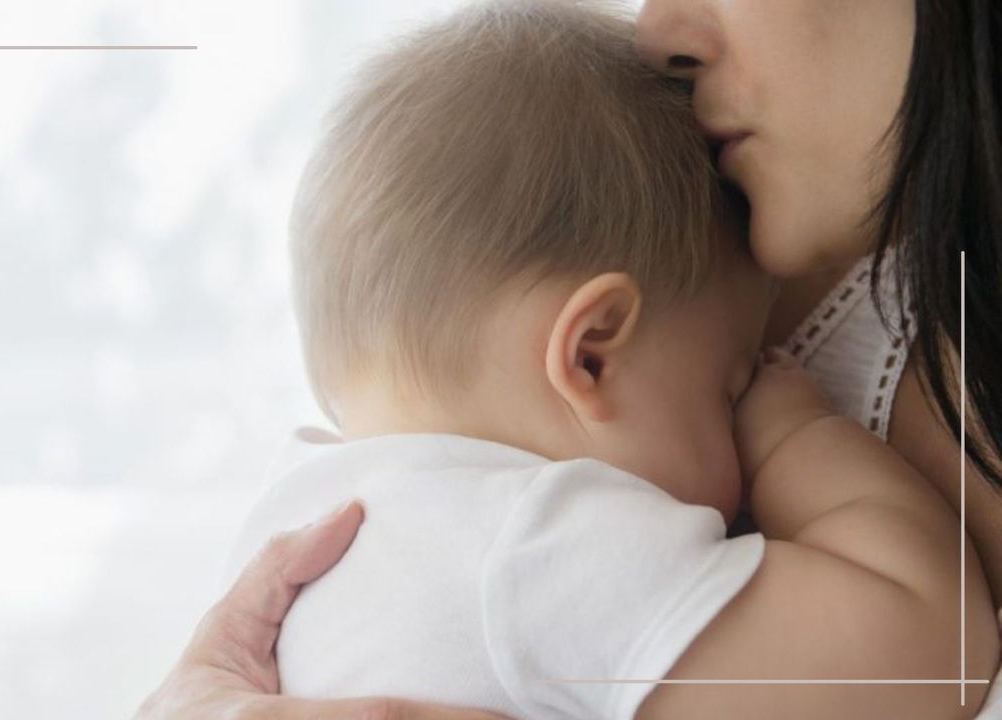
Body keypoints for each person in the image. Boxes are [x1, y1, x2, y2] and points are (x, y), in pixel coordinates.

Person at [138, 0, 1002, 716]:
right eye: (731, 384)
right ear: (589, 355)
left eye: (742, 387)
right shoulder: (539, 540)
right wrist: (791, 429)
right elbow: (932, 657)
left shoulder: (301, 518)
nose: (656, 31)